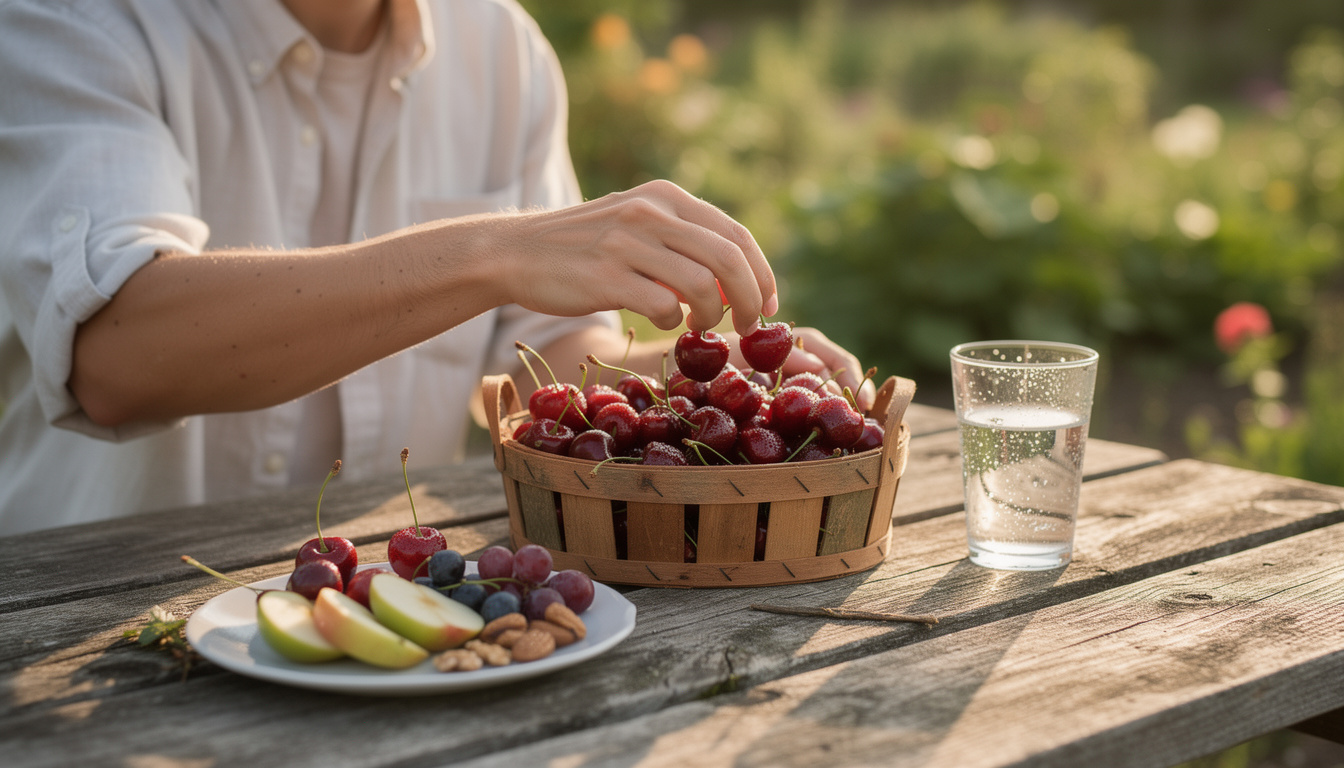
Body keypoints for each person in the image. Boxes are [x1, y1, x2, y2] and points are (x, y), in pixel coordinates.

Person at [0, 0, 873, 536]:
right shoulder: (72, 20)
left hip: (383, 601)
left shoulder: (500, 45)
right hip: (85, 623)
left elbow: (554, 356)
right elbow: (114, 353)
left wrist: (689, 391)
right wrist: (493, 251)